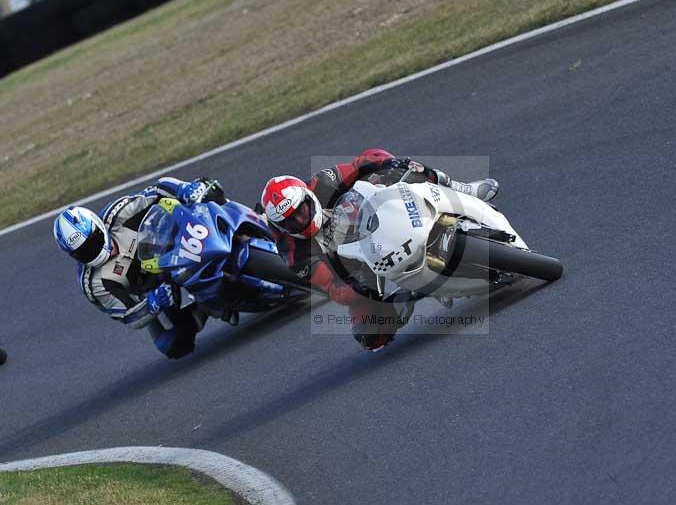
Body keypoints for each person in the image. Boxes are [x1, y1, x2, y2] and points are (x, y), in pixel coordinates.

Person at [258, 148, 499, 351]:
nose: (300, 219)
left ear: (308, 195)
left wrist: (391, 164)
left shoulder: (325, 181)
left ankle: (461, 189)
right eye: (291, 220)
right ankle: (409, 290)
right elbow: (332, 287)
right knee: (370, 335)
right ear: (280, 226)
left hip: (376, 213)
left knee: (406, 170)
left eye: (302, 209)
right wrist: (357, 285)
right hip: (360, 267)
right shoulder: (293, 253)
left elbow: (362, 163)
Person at [53, 177, 229, 359]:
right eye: (83, 252)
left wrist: (184, 189)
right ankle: (205, 308)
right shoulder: (93, 283)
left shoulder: (118, 213)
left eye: (93, 241)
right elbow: (129, 316)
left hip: (176, 241)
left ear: (98, 226)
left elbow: (157, 190)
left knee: (207, 188)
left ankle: (250, 219)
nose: (92, 251)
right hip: (157, 286)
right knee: (174, 345)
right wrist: (154, 302)